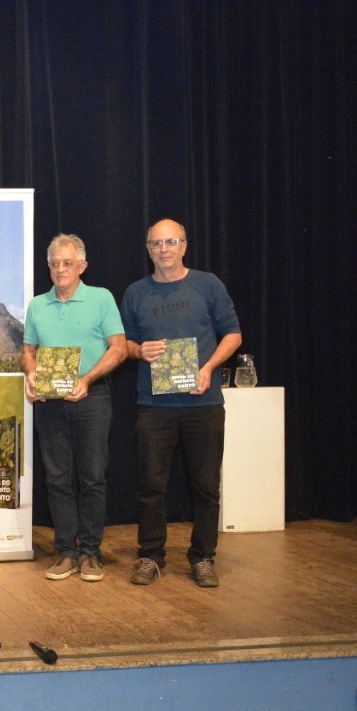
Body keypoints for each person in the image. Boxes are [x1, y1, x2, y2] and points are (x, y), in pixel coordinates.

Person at [122, 219, 242, 588]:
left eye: (171, 241)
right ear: (148, 250)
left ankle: (203, 556)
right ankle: (151, 555)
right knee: (150, 486)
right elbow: (121, 344)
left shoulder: (208, 285)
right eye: (156, 243)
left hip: (203, 403)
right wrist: (139, 350)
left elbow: (233, 335)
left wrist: (208, 368)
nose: (164, 249)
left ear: (184, 246)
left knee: (206, 485)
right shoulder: (135, 293)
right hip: (153, 407)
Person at [21, 234, 127, 582]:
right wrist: (31, 374)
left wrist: (89, 379)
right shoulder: (38, 305)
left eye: (67, 263)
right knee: (57, 479)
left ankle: (91, 552)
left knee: (92, 477)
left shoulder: (101, 299)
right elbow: (29, 351)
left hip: (92, 398)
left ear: (82, 266)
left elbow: (119, 348)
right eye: (54, 263)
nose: (60, 269)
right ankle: (66, 551)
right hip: (50, 403)